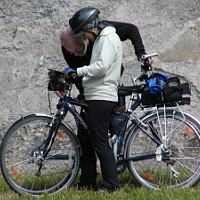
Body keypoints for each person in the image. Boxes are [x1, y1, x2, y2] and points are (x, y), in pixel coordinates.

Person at [64, 7, 122, 193]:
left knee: (99, 142)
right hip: (94, 95)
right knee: (86, 141)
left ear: (91, 27)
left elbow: (102, 67)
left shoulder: (107, 39)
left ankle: (111, 185)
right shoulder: (101, 39)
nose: (85, 39)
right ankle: (88, 182)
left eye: (84, 34)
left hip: (102, 96)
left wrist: (78, 71)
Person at [60, 18, 153, 99]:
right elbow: (77, 71)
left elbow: (131, 29)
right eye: (71, 52)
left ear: (85, 37)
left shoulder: (97, 30)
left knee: (116, 111)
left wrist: (141, 53)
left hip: (109, 79)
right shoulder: (68, 48)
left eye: (77, 49)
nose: (75, 54)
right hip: (91, 82)